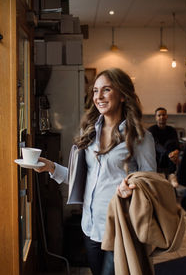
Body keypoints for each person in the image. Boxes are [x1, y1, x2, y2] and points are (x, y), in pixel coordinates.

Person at [35, 68, 157, 275]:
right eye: (95, 91)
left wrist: (133, 189)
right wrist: (50, 167)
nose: (98, 97)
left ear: (123, 96)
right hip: (90, 227)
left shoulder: (140, 137)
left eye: (106, 90)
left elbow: (150, 184)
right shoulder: (89, 133)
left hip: (120, 228)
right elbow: (80, 179)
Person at [148, 107, 179, 187]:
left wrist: (175, 153)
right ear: (156, 117)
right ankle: (170, 175)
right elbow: (156, 145)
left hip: (169, 156)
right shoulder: (151, 130)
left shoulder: (172, 130)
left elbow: (176, 145)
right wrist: (170, 154)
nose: (162, 117)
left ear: (167, 116)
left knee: (170, 144)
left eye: (164, 115)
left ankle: (171, 175)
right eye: (159, 115)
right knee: (162, 148)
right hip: (157, 156)